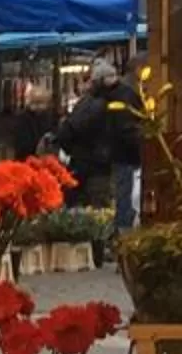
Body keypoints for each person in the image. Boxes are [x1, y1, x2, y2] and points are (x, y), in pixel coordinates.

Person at [57, 60, 146, 229]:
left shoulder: (94, 101)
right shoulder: (119, 96)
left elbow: (70, 130)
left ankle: (111, 236)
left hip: (100, 160)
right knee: (114, 203)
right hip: (111, 160)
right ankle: (115, 237)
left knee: (106, 205)